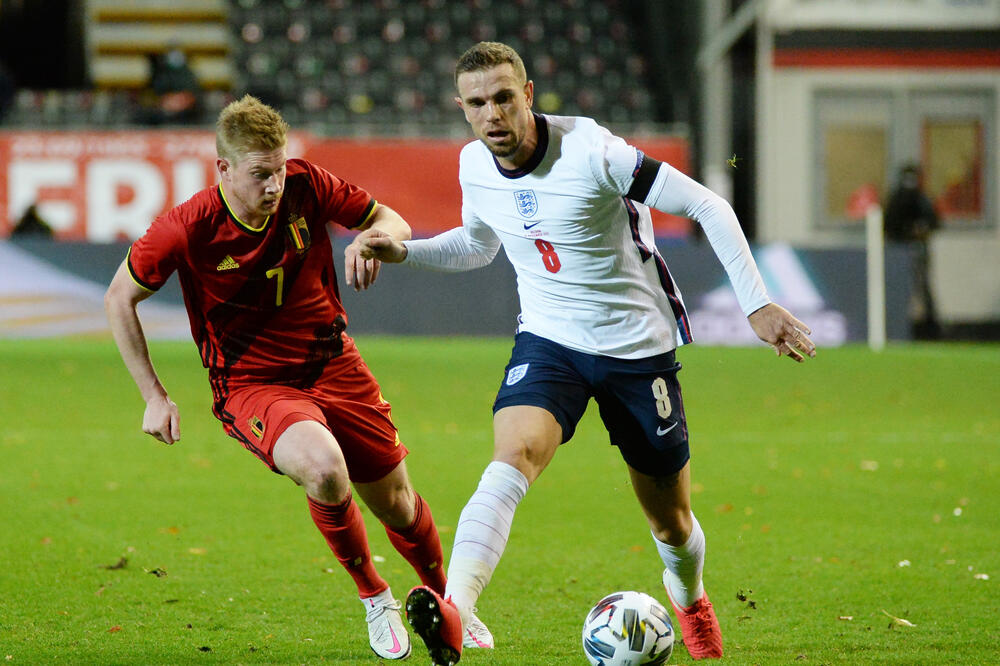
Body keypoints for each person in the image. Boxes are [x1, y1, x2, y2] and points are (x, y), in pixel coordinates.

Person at [350, 42, 816, 664]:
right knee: (512, 454)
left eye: (504, 98)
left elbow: (708, 203)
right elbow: (479, 246)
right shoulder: (473, 166)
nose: (493, 114)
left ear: (529, 95)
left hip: (635, 351)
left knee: (671, 523)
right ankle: (456, 610)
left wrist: (756, 303)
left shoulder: (595, 152)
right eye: (478, 103)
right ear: (462, 109)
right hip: (549, 341)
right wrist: (406, 250)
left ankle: (692, 601)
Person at [104, 94, 492, 660]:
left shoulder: (308, 184)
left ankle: (447, 599)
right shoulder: (187, 228)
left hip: (334, 362)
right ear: (224, 170)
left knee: (400, 505)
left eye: (280, 169)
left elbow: (390, 219)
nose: (275, 185)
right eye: (260, 174)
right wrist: (154, 396)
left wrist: (370, 239)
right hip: (253, 385)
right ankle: (374, 596)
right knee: (324, 469)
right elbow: (120, 298)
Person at [883, 163, 940, 339]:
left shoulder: (922, 199)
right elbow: (888, 225)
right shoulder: (896, 199)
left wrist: (920, 231)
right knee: (898, 289)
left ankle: (930, 329)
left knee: (922, 289)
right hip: (898, 251)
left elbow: (934, 223)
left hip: (917, 249)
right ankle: (896, 326)